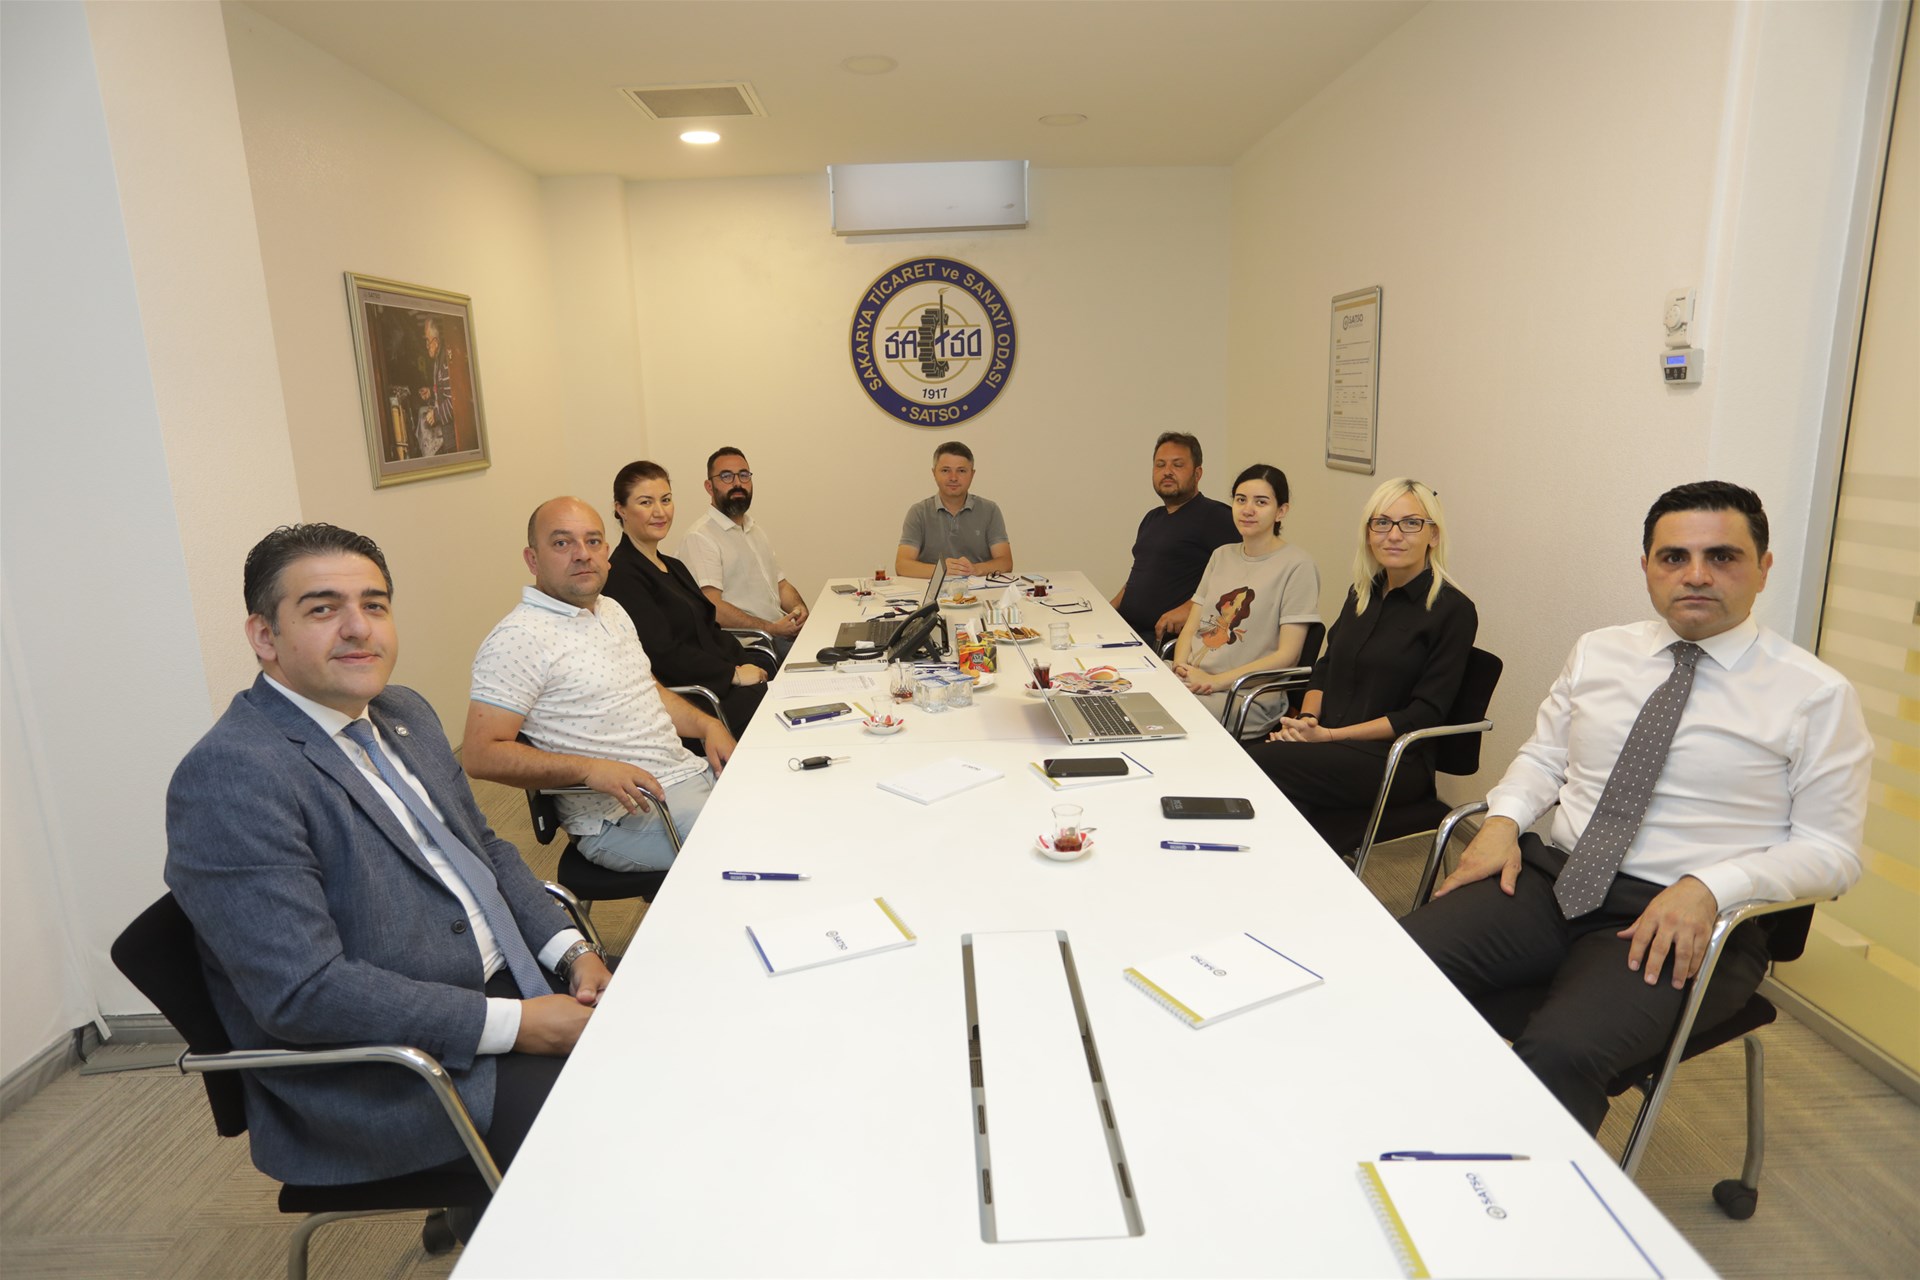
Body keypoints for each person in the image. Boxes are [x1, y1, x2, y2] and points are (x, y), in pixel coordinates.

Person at [1402, 481, 1869, 1133]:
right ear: (1646, 566)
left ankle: (1507, 1188)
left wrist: (1710, 885)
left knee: (1561, 1053)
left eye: (1723, 557)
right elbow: (1545, 758)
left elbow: (1833, 853)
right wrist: (1503, 821)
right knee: (1389, 965)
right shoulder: (1600, 651)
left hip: (1682, 919)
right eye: (1674, 557)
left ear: (1764, 568)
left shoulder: (1814, 695)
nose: (1696, 575)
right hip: (1553, 881)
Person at [164, 523, 608, 1188]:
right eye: (322, 609)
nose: (357, 628)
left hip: (514, 981)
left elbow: (484, 848)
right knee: (630, 1132)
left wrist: (573, 952)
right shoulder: (233, 776)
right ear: (264, 636)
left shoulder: (403, 711)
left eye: (374, 605)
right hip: (398, 1070)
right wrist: (517, 1026)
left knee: (694, 1027)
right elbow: (306, 993)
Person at [464, 497, 735, 873]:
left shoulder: (611, 609)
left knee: (789, 802)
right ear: (532, 559)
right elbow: (480, 755)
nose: (582, 554)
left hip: (687, 774)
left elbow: (649, 692)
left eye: (592, 541)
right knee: (753, 842)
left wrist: (708, 725)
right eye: (562, 543)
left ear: (606, 553)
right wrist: (588, 769)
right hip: (621, 815)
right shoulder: (519, 638)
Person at [1247, 477, 1477, 823]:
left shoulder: (1453, 610)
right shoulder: (1362, 594)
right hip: (1331, 744)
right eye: (1382, 523)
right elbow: (1325, 667)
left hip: (1394, 760)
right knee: (1278, 799)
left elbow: (1424, 713)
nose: (1393, 535)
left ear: (1433, 535)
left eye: (1410, 523)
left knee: (1258, 763)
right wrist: (1306, 722)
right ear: (1369, 533)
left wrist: (1328, 736)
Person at [603, 460, 775, 736]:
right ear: (620, 509)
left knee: (785, 682)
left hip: (716, 680)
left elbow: (709, 629)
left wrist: (744, 662)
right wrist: (732, 674)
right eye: (646, 502)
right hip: (692, 702)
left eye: (666, 500)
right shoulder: (622, 574)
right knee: (777, 709)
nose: (660, 512)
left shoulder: (673, 566)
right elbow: (663, 654)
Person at [1169, 463, 1320, 735]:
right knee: (1127, 689)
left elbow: (1287, 655)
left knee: (1165, 711)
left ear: (1281, 511)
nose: (1248, 509)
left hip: (1244, 695)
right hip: (1193, 680)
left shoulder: (1298, 566)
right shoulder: (1221, 555)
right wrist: (1180, 666)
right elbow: (1191, 627)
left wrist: (1216, 681)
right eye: (1241, 500)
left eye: (1261, 502)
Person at [677, 446, 809, 660]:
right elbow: (713, 607)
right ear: (709, 487)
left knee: (837, 645)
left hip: (777, 635)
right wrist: (772, 628)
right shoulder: (700, 537)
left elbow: (781, 585)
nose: (737, 483)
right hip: (751, 647)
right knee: (823, 662)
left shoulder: (754, 530)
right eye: (726, 476)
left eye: (744, 475)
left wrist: (798, 609)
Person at [1110, 432, 1239, 643]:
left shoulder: (1216, 516)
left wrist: (1191, 609)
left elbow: (1239, 579)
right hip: (1127, 631)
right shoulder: (1152, 518)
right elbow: (1138, 577)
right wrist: (1109, 610)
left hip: (1166, 641)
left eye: (1177, 465)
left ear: (1197, 473)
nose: (1167, 472)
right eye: (1160, 465)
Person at [895, 440, 1013, 578]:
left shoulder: (990, 510)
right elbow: (902, 566)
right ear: (934, 473)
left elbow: (1006, 563)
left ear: (972, 474)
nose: (953, 478)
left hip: (978, 588)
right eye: (945, 470)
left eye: (961, 471)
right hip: (932, 589)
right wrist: (942, 571)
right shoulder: (919, 512)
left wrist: (975, 569)